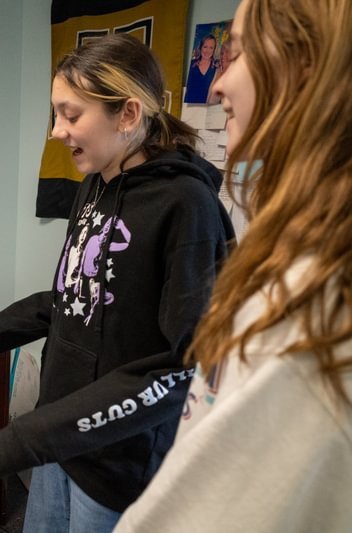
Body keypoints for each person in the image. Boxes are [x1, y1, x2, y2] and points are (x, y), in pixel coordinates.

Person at [0, 34, 234, 532]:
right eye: (55, 115)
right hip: (60, 439)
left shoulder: (185, 206)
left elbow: (180, 364)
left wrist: (30, 435)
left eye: (71, 114)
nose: (57, 131)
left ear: (127, 114)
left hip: (115, 461)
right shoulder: (95, 184)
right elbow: (74, 297)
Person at [116, 0, 352, 530]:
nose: (217, 85)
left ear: (304, 67)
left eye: (238, 53)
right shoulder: (289, 251)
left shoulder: (310, 303)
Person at [185, 34, 218, 103]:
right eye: (205, 47)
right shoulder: (191, 64)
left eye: (211, 48)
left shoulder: (216, 69)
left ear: (214, 50)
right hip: (188, 107)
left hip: (204, 110)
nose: (207, 51)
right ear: (200, 47)